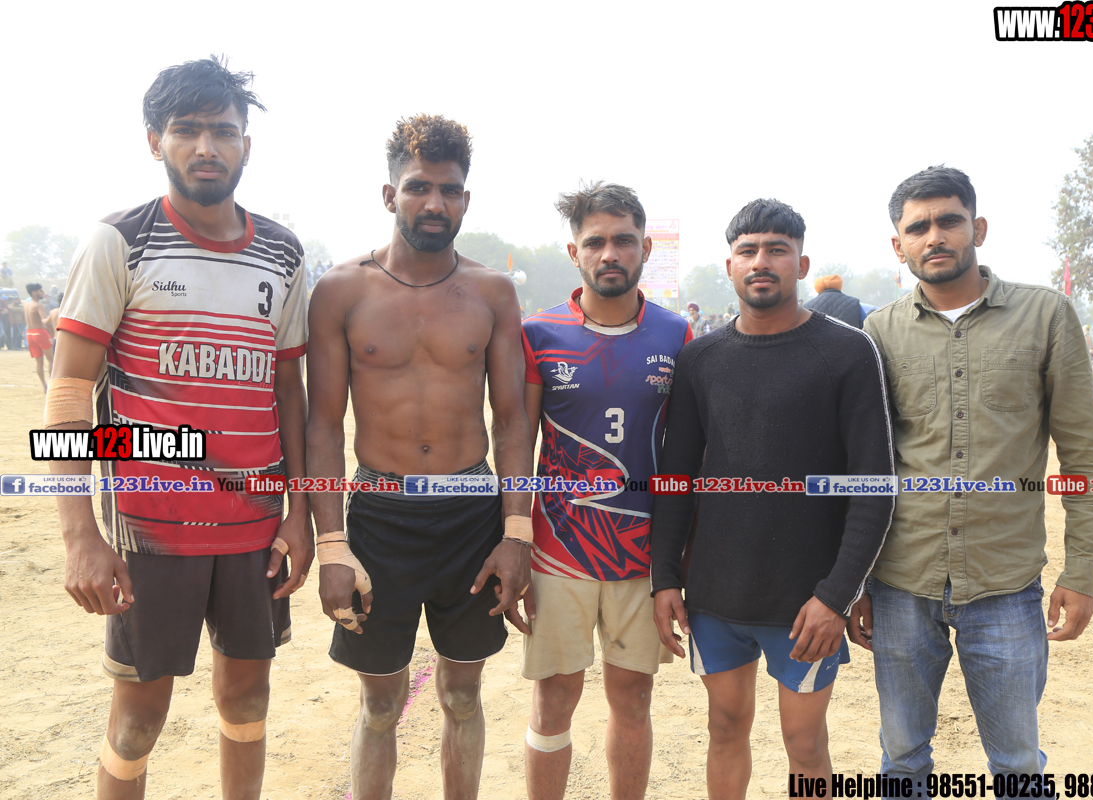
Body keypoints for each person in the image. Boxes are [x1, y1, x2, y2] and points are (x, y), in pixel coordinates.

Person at [46, 56, 312, 800]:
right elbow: (69, 392)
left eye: (222, 131)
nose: (206, 147)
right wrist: (80, 536)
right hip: (151, 530)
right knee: (138, 720)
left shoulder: (282, 252)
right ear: (153, 141)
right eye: (186, 130)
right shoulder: (119, 241)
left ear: (246, 145)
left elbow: (287, 392)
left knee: (247, 701)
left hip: (255, 528)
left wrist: (299, 513)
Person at [854, 165, 1093, 778]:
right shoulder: (879, 331)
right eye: (917, 228)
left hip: (1005, 583)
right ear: (898, 245)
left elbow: (1085, 456)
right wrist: (856, 580)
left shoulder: (1044, 316)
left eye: (949, 221)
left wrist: (1083, 572)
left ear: (978, 229)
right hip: (901, 582)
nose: (934, 236)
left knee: (1017, 763)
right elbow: (865, 465)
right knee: (902, 760)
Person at [306, 113, 534, 800]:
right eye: (418, 187)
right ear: (389, 195)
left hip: (471, 514)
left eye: (450, 190)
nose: (435, 202)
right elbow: (323, 425)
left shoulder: (492, 292)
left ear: (466, 200)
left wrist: (516, 532)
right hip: (380, 514)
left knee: (462, 694)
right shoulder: (342, 290)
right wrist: (332, 545)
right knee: (380, 705)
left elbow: (512, 420)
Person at [651, 199, 894, 795]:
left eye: (777, 250)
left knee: (805, 745)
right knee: (725, 727)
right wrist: (664, 579)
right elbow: (676, 479)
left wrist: (837, 594)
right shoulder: (700, 360)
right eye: (748, 251)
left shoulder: (847, 353)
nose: (761, 262)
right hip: (715, 597)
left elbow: (873, 489)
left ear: (801, 264)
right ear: (730, 266)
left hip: (807, 602)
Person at [520, 182, 691, 800]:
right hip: (558, 549)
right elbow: (516, 444)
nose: (609, 253)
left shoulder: (677, 334)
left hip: (640, 553)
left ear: (645, 248)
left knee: (633, 697)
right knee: (555, 697)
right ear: (575, 252)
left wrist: (678, 557)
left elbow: (683, 456)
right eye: (595, 242)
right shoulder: (538, 333)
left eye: (623, 240)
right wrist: (513, 538)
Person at [23, 282, 54, 391]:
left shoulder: (27, 305)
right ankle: (52, 385)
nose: (43, 293)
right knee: (51, 359)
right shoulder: (39, 305)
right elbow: (44, 321)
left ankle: (44, 386)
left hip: (29, 334)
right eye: (41, 291)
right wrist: (52, 331)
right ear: (34, 292)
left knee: (39, 362)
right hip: (40, 333)